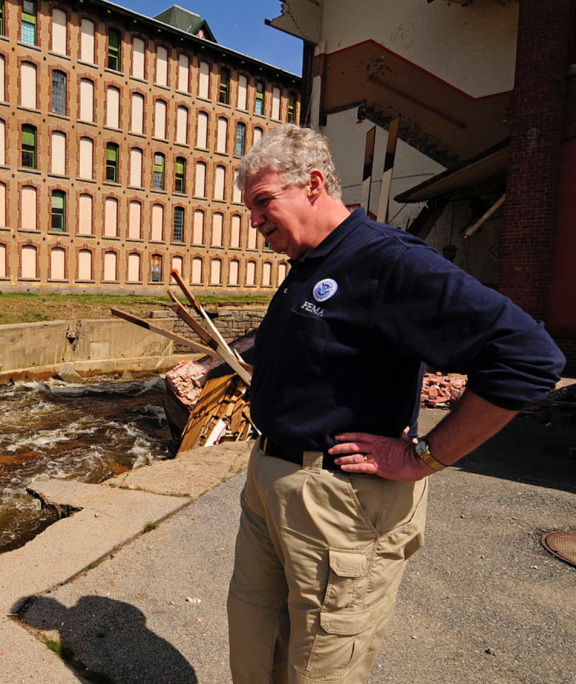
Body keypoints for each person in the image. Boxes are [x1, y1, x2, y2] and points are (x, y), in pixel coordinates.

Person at [226, 124, 565, 684]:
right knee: (256, 644)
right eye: (250, 208)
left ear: (313, 184)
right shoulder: (314, 260)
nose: (255, 220)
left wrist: (425, 456)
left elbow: (528, 357)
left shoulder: (385, 261)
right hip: (271, 481)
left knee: (321, 667)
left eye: (263, 203)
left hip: (337, 499)